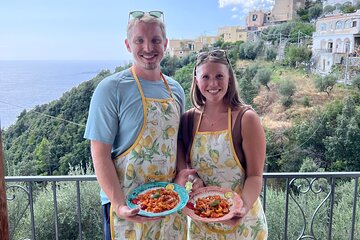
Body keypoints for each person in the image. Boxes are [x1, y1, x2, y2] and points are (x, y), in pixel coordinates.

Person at [84, 11, 187, 240]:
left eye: (155, 40)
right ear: (128, 45)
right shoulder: (110, 89)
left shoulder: (176, 90)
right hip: (127, 206)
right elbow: (99, 154)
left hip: (169, 205)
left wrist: (181, 176)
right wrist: (120, 205)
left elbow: (177, 140)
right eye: (139, 40)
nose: (148, 48)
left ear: (165, 44)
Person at [177, 49, 268, 239]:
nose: (213, 83)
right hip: (202, 226)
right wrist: (194, 181)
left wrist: (241, 208)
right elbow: (185, 169)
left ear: (229, 79)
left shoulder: (246, 119)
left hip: (243, 226)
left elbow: (254, 176)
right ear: (196, 80)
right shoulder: (187, 120)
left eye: (219, 76)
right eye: (206, 77)